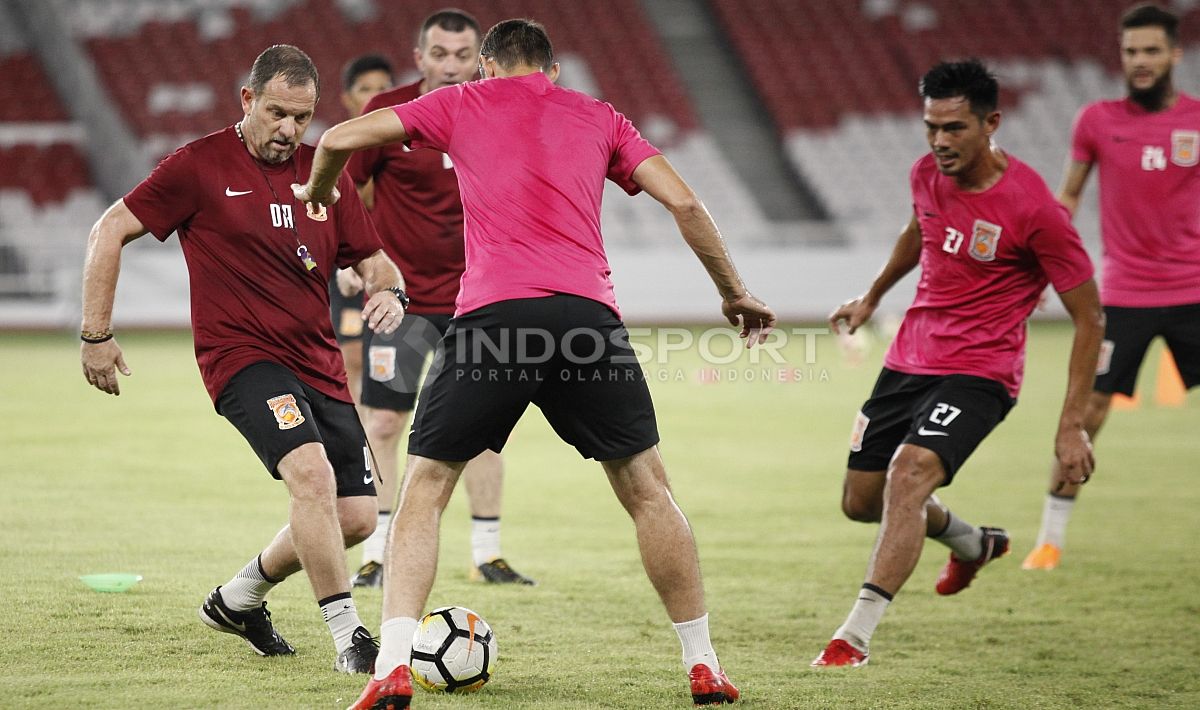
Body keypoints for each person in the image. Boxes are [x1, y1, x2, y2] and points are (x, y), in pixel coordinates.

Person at [294, 19, 775, 707]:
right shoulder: (600, 115)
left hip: (494, 318)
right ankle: (704, 664)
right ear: (552, 71)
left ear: (486, 66)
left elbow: (339, 138)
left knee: (427, 487)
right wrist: (735, 292)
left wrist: (318, 194)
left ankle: (391, 666)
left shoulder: (460, 102)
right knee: (646, 488)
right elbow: (687, 203)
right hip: (587, 321)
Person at [79, 44, 410, 674]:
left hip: (319, 363)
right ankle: (350, 638)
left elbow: (372, 258)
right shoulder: (198, 166)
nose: (289, 130)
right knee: (311, 477)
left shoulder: (325, 172)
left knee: (357, 516)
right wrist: (97, 334)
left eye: (302, 117)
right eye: (278, 113)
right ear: (248, 100)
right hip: (242, 359)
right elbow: (107, 231)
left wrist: (388, 290)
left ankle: (239, 598)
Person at [813, 59, 1103, 668]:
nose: (940, 142)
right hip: (907, 360)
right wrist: (872, 295)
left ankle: (853, 638)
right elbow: (919, 230)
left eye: (955, 128)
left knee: (909, 473)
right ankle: (973, 543)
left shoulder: (1036, 212)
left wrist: (1072, 422)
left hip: (982, 372)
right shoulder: (927, 173)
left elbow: (1089, 318)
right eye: (931, 127)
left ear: (991, 123)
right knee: (861, 502)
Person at [343, 9, 534, 589]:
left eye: (462, 55)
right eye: (439, 54)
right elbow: (348, 187)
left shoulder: (502, 112)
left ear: (480, 59)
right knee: (382, 420)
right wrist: (354, 260)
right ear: (419, 57)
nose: (451, 65)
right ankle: (376, 551)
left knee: (483, 426)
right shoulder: (389, 115)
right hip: (401, 301)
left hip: (481, 299)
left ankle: (488, 554)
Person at [1023, 2, 1200, 571]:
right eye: (1130, 52)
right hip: (1124, 293)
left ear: (1175, 53)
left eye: (1151, 50)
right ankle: (1049, 540)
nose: (1140, 61)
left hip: (1195, 288)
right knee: (1088, 410)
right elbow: (1068, 197)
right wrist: (1041, 261)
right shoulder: (1096, 120)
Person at [329, 54, 396, 405]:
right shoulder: (337, 146)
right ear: (347, 98)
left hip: (398, 265)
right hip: (350, 264)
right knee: (352, 357)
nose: (374, 97)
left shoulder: (407, 143)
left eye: (383, 89)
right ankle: (356, 441)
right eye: (365, 89)